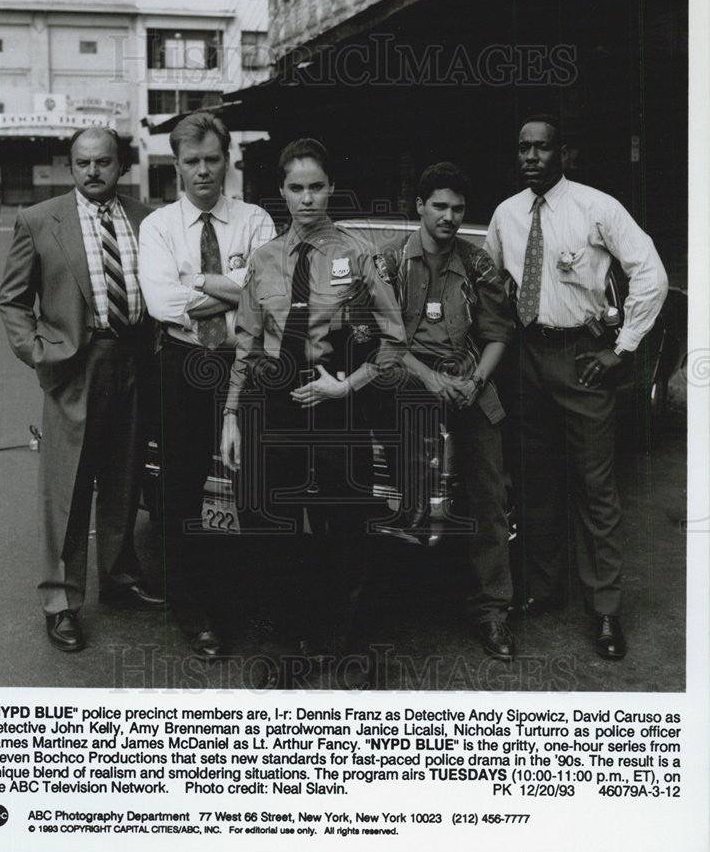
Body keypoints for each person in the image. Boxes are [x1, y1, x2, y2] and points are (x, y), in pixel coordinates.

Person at [220, 137, 407, 685]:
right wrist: (232, 415)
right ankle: (286, 646)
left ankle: (338, 646)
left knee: (343, 528)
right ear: (281, 192)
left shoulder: (356, 254)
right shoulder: (265, 259)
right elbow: (247, 344)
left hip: (334, 404)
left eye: (316, 187)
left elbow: (394, 339)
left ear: (330, 188)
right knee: (274, 529)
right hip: (277, 404)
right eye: (296, 188)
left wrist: (347, 386)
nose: (307, 199)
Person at [485, 113, 668, 659]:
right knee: (536, 482)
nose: (532, 158)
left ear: (563, 153)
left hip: (581, 357)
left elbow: (650, 273)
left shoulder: (597, 207)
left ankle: (606, 609)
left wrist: (621, 349)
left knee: (595, 487)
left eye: (542, 148)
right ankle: (543, 589)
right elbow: (494, 284)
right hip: (527, 359)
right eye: (523, 149)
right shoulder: (506, 214)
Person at [0, 127, 163, 654]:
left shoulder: (145, 219)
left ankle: (118, 577)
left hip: (135, 358)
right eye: (83, 163)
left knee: (124, 476)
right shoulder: (38, 219)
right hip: (75, 362)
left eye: (104, 162)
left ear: (122, 166)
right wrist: (39, 353)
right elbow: (13, 300)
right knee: (67, 485)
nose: (93, 172)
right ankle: (61, 601)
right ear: (70, 166)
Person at [138, 112, 275, 658]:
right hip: (183, 361)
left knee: (252, 484)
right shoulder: (158, 228)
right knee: (181, 487)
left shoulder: (255, 219)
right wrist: (230, 288)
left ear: (227, 160)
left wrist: (191, 279)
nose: (203, 171)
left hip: (245, 361)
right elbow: (160, 304)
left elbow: (266, 292)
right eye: (191, 161)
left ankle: (247, 602)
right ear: (177, 165)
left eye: (212, 159)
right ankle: (194, 611)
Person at [384, 162, 516, 661]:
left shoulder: (478, 264)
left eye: (458, 208)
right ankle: (392, 607)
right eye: (439, 206)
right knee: (407, 493)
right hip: (410, 379)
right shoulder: (390, 262)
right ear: (419, 206)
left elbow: (498, 334)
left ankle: (492, 611)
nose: (449, 216)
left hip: (469, 379)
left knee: (489, 493)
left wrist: (474, 381)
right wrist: (431, 378)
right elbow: (384, 340)